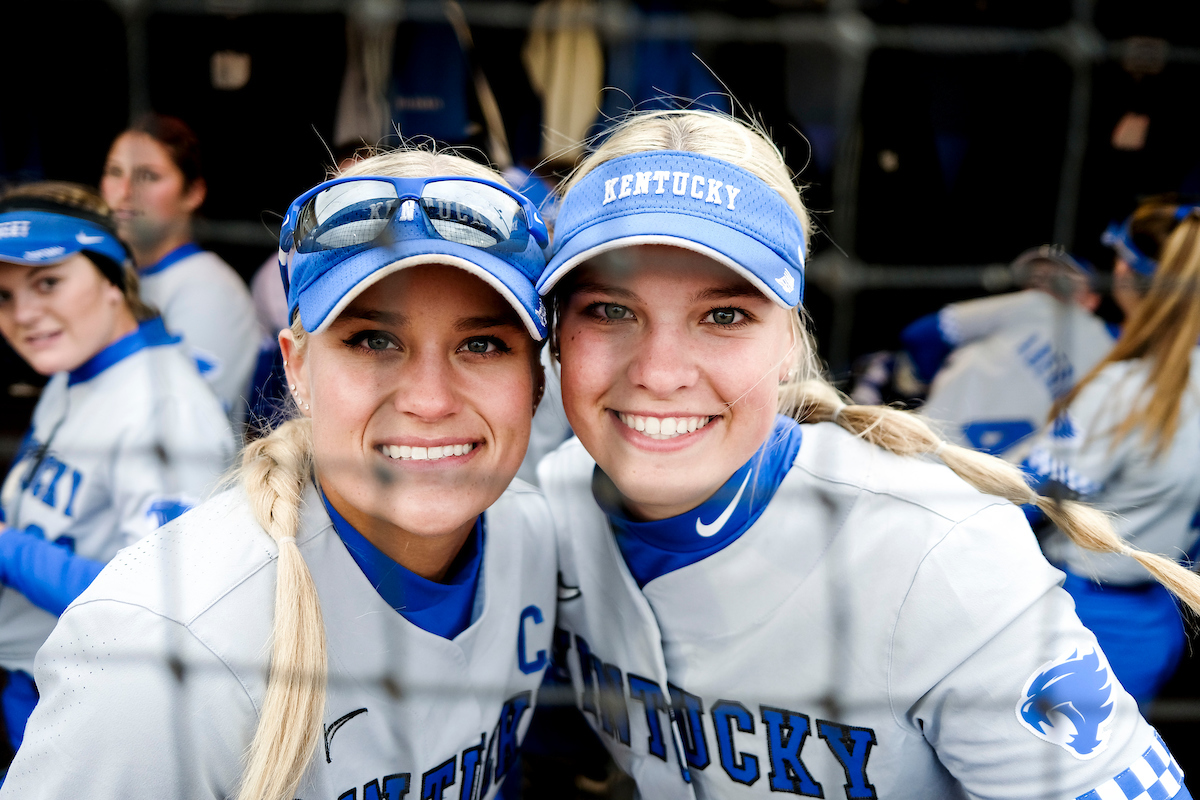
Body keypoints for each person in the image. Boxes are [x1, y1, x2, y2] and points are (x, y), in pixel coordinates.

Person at [533, 110, 1198, 799]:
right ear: (556, 336)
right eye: (610, 310)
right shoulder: (547, 509)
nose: (660, 371)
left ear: (789, 338)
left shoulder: (939, 554)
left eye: (724, 315)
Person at [2, 149, 557, 800]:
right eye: (373, 341)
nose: (429, 400)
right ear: (297, 368)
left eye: (482, 344)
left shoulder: (538, 538)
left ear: (537, 376)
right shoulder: (164, 648)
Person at [0, 182, 234, 760]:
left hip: (88, 716)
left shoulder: (167, 408)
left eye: (48, 282)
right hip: (28, 687)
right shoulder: (71, 371)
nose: (23, 315)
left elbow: (158, 609)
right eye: (3, 296)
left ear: (113, 281)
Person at [1023, 201, 1200, 707]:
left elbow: (1022, 494)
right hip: (1161, 621)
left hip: (1077, 623)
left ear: (1125, 270)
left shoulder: (1124, 389)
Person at [100, 113, 259, 424]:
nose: (125, 190)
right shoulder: (110, 278)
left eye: (148, 175)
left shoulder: (210, 289)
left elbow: (186, 425)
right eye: (114, 171)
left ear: (194, 193)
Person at [902, 245, 1114, 457]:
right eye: (1038, 277)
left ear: (1092, 299)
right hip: (994, 480)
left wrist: (926, 382)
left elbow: (922, 335)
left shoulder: (1029, 307)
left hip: (927, 450)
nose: (1046, 287)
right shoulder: (1109, 358)